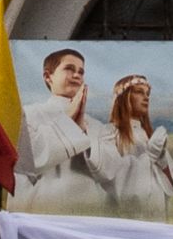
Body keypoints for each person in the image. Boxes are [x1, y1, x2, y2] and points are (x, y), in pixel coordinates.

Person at [17, 46, 113, 211]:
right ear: (48, 76)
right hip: (44, 212)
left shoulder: (96, 125)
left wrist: (84, 132)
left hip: (91, 213)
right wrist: (68, 123)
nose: (77, 75)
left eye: (81, 72)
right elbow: (28, 161)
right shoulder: (29, 114)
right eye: (69, 69)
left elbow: (110, 173)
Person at [103, 73, 173, 221]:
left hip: (156, 214)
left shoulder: (149, 136)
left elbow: (171, 186)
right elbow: (113, 177)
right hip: (128, 219)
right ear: (124, 97)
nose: (146, 97)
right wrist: (149, 157)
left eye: (147, 93)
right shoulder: (110, 134)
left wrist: (162, 159)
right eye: (139, 92)